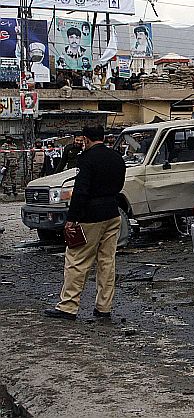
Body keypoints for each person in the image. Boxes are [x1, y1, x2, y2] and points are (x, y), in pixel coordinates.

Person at [44, 125, 126, 321]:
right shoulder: (116, 157)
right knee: (107, 262)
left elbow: (81, 191)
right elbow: (120, 184)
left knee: (76, 261)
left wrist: (71, 220)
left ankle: (68, 307)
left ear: (87, 139)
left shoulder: (86, 159)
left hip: (91, 216)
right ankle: (103, 308)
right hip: (113, 213)